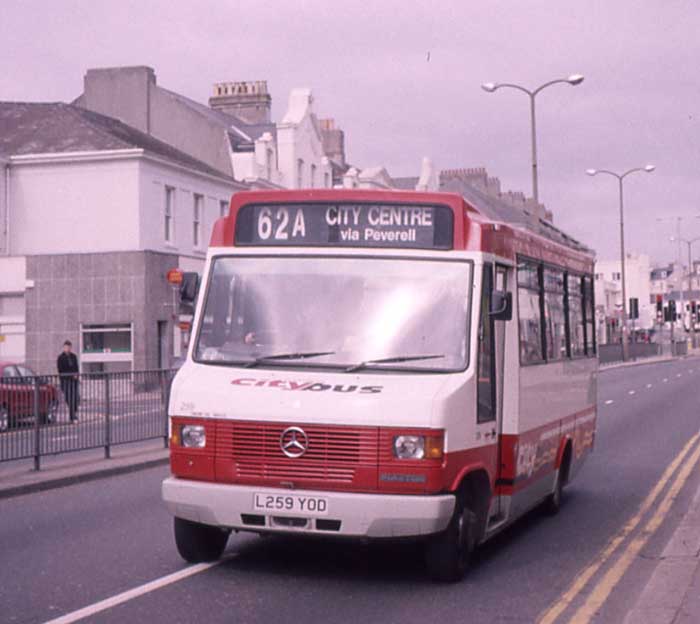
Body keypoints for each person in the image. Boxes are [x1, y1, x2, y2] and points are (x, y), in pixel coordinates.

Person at [57, 340, 79, 423]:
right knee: (69, 398)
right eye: (66, 347)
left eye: (69, 347)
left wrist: (76, 375)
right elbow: (61, 370)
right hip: (65, 381)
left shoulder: (74, 356)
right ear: (64, 347)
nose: (68, 349)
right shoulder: (60, 358)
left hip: (74, 380)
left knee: (76, 397)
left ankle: (73, 415)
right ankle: (73, 416)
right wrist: (71, 375)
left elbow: (76, 368)